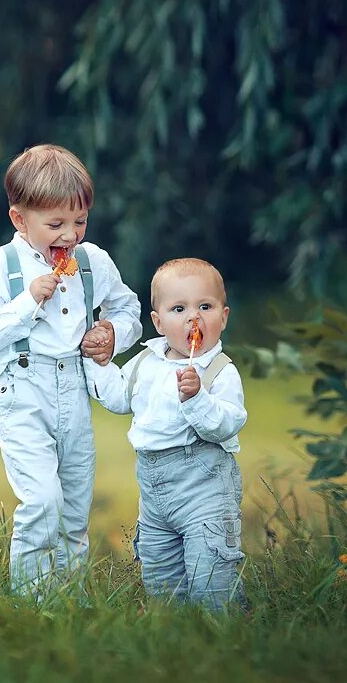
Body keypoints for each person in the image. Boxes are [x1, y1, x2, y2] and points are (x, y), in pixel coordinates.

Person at [0, 144, 142, 596]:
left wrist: (111, 335)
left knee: (75, 508)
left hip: (74, 389)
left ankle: (69, 601)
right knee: (42, 500)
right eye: (56, 224)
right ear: (19, 219)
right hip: (21, 388)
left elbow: (130, 311)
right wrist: (29, 302)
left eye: (79, 221)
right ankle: (30, 601)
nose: (70, 235)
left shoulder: (93, 261)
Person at [84, 257, 247, 610]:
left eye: (205, 306)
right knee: (161, 579)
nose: (194, 317)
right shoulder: (147, 362)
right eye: (179, 308)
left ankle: (228, 632)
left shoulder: (219, 371)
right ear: (158, 322)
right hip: (153, 487)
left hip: (203, 484)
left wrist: (196, 398)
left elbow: (227, 423)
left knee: (211, 572)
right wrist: (95, 362)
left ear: (224, 316)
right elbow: (117, 397)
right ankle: (175, 636)